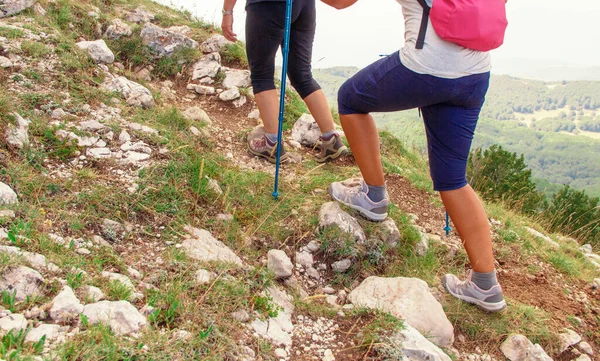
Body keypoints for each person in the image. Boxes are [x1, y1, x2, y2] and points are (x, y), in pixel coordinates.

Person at [322, 0, 507, 312]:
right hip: (475, 74)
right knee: (452, 179)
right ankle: (485, 284)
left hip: (426, 67)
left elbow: (341, 2)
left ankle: (374, 196)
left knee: (351, 99)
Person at [221, 0, 348, 164]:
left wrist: (227, 12)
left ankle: (271, 144)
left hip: (266, 5)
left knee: (262, 74)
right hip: (304, 5)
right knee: (302, 74)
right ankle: (331, 140)